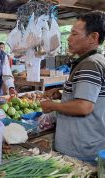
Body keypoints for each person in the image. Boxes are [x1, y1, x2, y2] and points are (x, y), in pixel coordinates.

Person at [41, 11, 105, 164]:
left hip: (81, 149)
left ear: (93, 37)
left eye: (75, 34)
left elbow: (84, 107)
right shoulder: (95, 60)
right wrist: (62, 93)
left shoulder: (90, 64)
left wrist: (52, 106)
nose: (69, 38)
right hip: (87, 143)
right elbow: (90, 96)